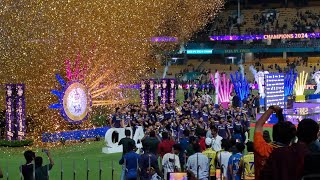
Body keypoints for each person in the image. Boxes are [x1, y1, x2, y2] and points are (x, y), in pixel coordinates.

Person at [253, 106, 296, 180]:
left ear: (273, 134)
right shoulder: (294, 154)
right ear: (292, 138)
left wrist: (272, 109)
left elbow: (259, 124)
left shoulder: (261, 148)